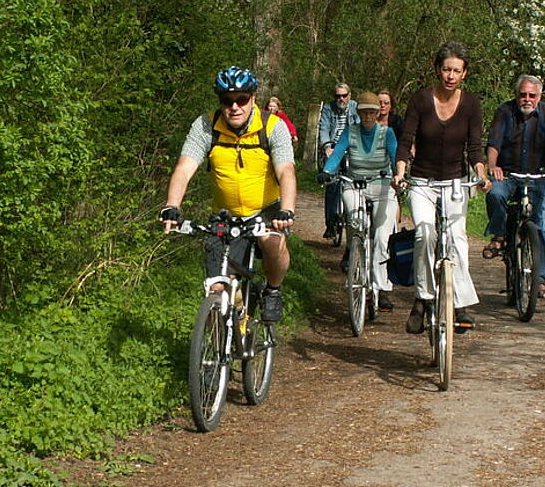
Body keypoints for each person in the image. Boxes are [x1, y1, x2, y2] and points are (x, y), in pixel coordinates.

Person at [160, 66, 297, 322]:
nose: (234, 107)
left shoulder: (272, 126)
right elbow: (184, 168)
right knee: (218, 285)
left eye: (241, 99)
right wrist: (172, 205)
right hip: (226, 214)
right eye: (227, 100)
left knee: (272, 243)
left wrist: (286, 210)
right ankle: (230, 328)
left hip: (266, 209)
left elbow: (286, 171)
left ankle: (273, 290)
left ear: (253, 98)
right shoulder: (206, 125)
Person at [391, 42, 491, 334]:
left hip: (455, 182)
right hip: (422, 182)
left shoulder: (471, 104)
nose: (451, 76)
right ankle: (422, 299)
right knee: (425, 232)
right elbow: (406, 141)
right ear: (438, 69)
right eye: (446, 69)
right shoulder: (421, 99)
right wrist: (400, 172)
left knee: (457, 239)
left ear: (464, 73)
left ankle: (459, 304)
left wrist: (481, 175)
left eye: (457, 71)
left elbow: (475, 148)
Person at [482, 74, 545, 300]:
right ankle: (500, 236)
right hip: (509, 174)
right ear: (516, 95)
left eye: (532, 95)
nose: (527, 99)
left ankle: (541, 279)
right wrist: (493, 166)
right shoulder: (504, 112)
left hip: (539, 176)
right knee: (495, 193)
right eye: (523, 95)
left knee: (543, 225)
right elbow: (494, 143)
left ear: (539, 97)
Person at [318, 92, 399, 312]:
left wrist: (399, 176)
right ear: (358, 113)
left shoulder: (387, 133)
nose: (368, 117)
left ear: (377, 113)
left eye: (372, 112)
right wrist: (327, 170)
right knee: (356, 224)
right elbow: (337, 154)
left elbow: (395, 157)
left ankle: (381, 288)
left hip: (382, 187)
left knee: (382, 237)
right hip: (354, 184)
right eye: (363, 113)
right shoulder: (350, 132)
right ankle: (356, 261)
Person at [317, 83, 359, 240]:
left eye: (344, 95)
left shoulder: (355, 107)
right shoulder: (328, 109)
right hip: (333, 148)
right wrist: (327, 146)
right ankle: (330, 224)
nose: (341, 99)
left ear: (349, 95)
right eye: (338, 96)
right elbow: (323, 128)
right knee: (331, 182)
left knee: (355, 182)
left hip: (351, 147)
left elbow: (360, 127)